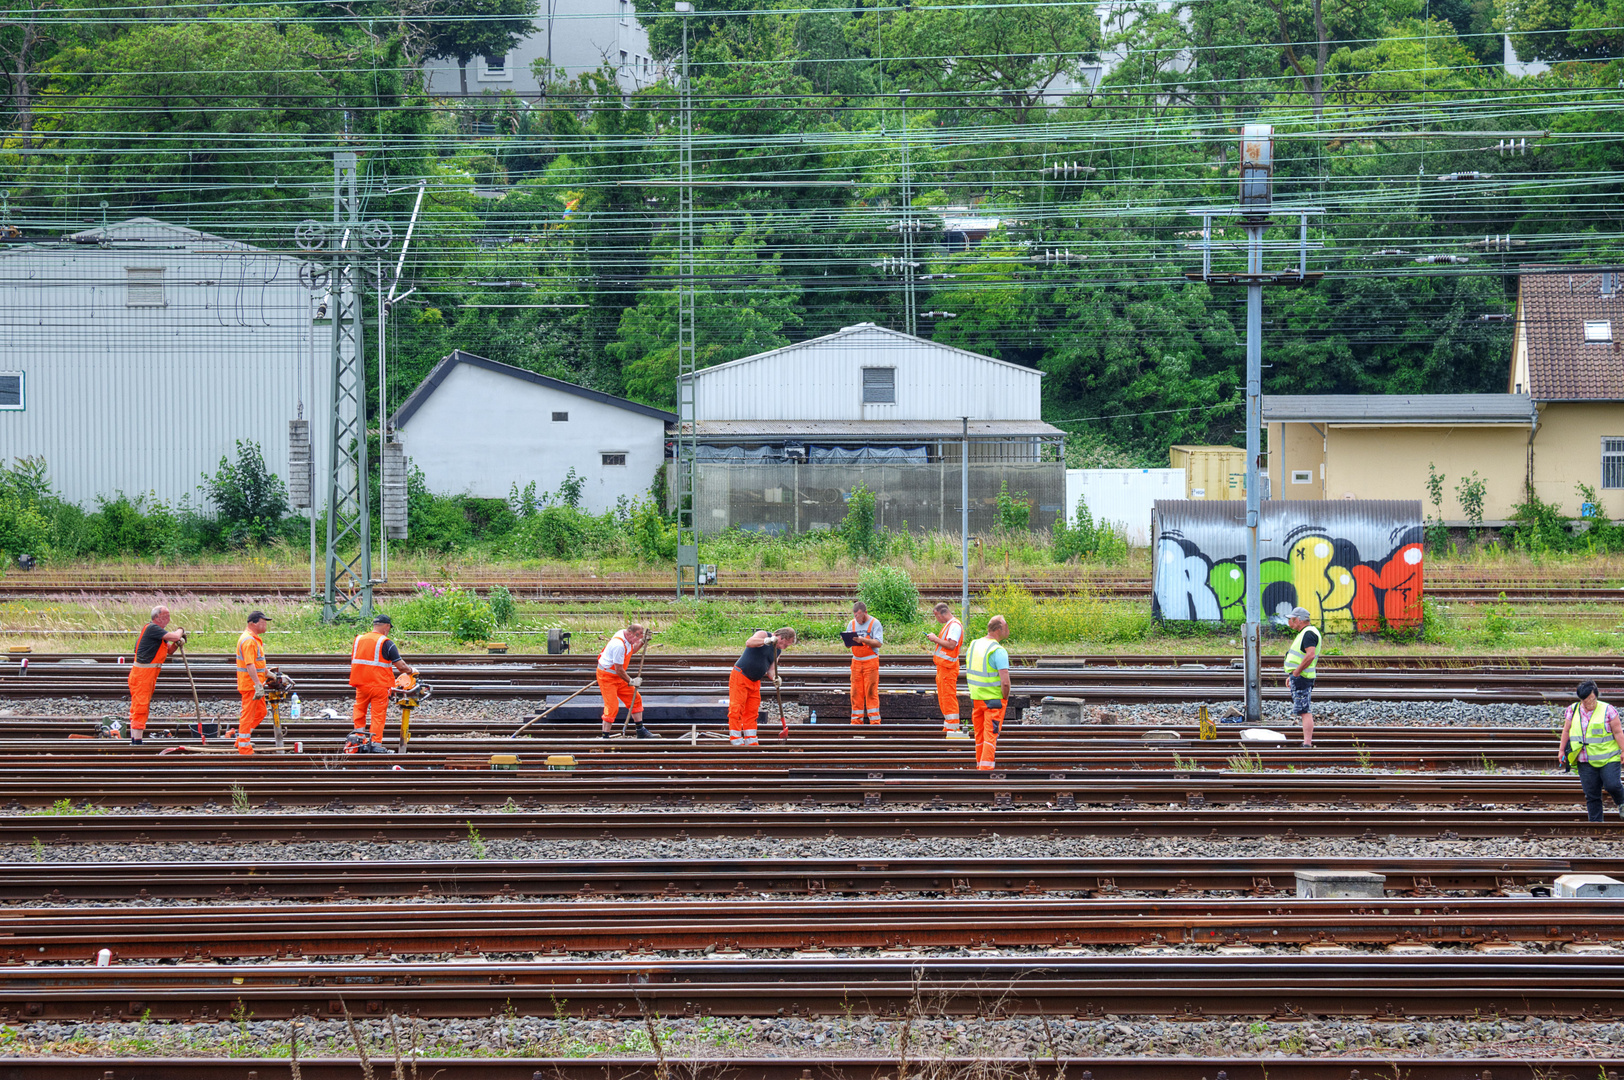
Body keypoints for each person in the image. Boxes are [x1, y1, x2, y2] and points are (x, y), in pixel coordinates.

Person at [349, 614, 416, 752]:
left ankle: (358, 741)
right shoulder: (385, 642)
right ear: (386, 626)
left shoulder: (359, 639)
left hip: (361, 684)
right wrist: (411, 671)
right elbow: (401, 666)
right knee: (378, 715)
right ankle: (374, 744)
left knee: (359, 711)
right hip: (379, 686)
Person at [1560, 680, 1624, 822]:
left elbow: (1618, 732)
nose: (1590, 703)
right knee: (1592, 794)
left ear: (1596, 695)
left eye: (1592, 699)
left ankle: (1622, 803)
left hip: (1608, 757)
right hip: (1584, 759)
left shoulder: (1608, 710)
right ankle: (1596, 826)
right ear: (1581, 699)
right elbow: (1566, 731)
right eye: (1586, 701)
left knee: (1612, 785)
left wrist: (1623, 750)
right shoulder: (1573, 710)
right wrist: (1561, 751)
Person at [127, 605, 186, 745]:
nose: (169, 619)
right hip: (142, 675)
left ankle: (136, 739)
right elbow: (175, 635)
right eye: (166, 616)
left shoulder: (158, 633)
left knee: (142, 706)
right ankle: (136, 742)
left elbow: (169, 651)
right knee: (140, 707)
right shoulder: (152, 628)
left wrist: (177, 644)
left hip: (148, 675)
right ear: (157, 617)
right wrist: (181, 630)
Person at [728, 627, 796, 746]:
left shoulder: (777, 651)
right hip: (741, 676)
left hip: (755, 682)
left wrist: (775, 678)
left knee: (752, 712)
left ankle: (751, 742)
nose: (784, 647)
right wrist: (766, 640)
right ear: (780, 638)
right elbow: (749, 642)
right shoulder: (763, 634)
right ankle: (736, 741)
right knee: (736, 709)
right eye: (785, 644)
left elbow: (771, 670)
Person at [966, 615, 1012, 770]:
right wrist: (1005, 697)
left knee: (979, 736)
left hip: (976, 698)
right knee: (990, 737)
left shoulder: (974, 644)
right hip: (993, 701)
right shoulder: (998, 651)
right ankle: (986, 772)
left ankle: (979, 766)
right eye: (1006, 627)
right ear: (999, 629)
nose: (1008, 629)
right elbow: (1005, 682)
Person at [598, 623, 654, 739]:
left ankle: (640, 730)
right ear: (632, 634)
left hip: (619, 676)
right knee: (612, 706)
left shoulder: (627, 639)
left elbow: (631, 651)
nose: (636, 641)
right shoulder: (618, 644)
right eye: (637, 638)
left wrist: (643, 641)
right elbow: (619, 670)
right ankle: (605, 737)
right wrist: (631, 681)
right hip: (608, 677)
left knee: (635, 699)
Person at [234, 610, 271, 755]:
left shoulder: (252, 639)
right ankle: (244, 747)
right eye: (263, 622)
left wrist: (270, 675)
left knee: (261, 712)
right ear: (253, 623)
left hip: (255, 685)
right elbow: (250, 665)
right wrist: (257, 684)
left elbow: (258, 664)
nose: (265, 625)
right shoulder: (249, 640)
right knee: (248, 716)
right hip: (251, 686)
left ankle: (241, 739)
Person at [1282, 606, 1320, 747]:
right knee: (1304, 709)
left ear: (1299, 620)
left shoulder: (1309, 633)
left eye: (1292, 619)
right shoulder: (1306, 632)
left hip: (1303, 676)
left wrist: (1296, 672)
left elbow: (1310, 655)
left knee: (1304, 711)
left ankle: (1307, 744)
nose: (1290, 623)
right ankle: (1306, 743)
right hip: (1300, 675)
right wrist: (1292, 674)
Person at [925, 602, 964, 737]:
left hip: (948, 669)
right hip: (943, 668)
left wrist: (935, 639)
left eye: (936, 616)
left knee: (948, 699)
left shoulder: (954, 626)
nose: (937, 619)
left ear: (942, 613)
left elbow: (951, 645)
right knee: (944, 699)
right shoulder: (949, 625)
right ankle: (949, 729)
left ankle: (953, 731)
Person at [846, 601, 884, 725]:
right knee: (855, 692)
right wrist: (847, 640)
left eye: (859, 616)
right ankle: (856, 722)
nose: (857, 619)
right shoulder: (852, 624)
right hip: (856, 663)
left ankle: (875, 722)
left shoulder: (874, 623)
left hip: (870, 662)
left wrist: (863, 640)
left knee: (871, 692)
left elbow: (878, 643)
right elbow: (848, 646)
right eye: (855, 616)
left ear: (865, 613)